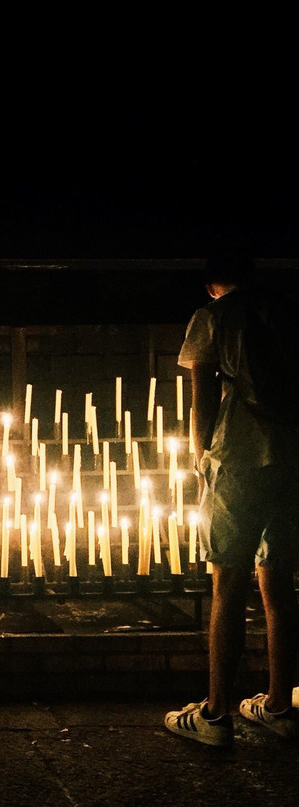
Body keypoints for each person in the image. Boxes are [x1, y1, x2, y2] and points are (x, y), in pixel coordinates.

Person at [165, 257, 299, 746]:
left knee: (227, 583)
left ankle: (216, 714)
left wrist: (201, 458)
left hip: (238, 456)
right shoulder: (287, 310)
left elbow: (203, 393)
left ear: (210, 282)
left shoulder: (213, 316)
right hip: (291, 456)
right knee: (279, 581)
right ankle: (280, 704)